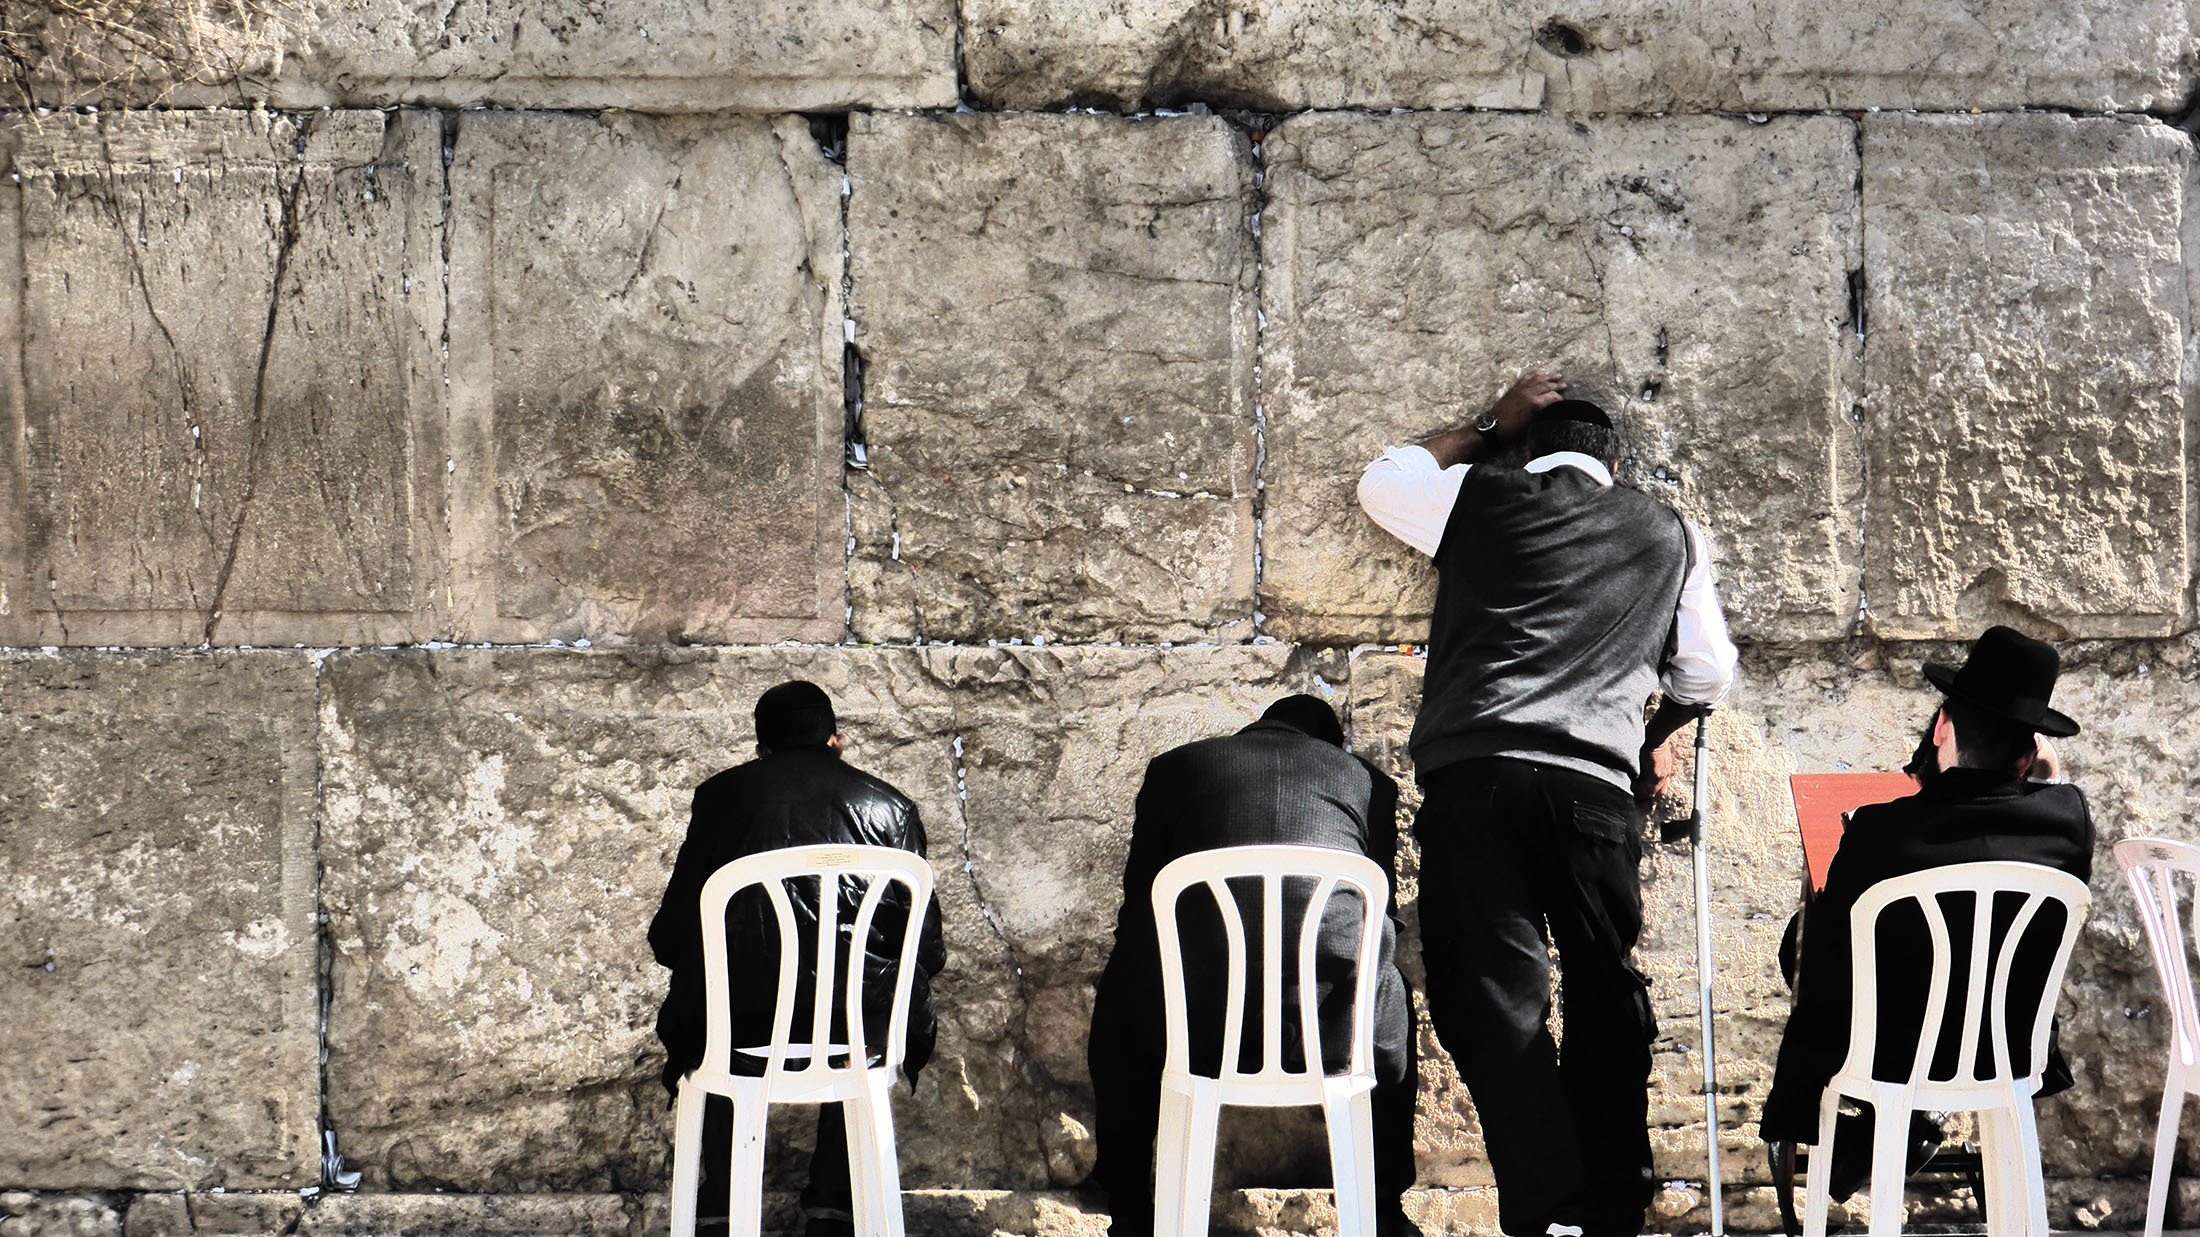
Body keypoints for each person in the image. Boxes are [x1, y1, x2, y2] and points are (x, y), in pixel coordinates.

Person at [1356, 372, 1739, 1237]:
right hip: (1596, 789)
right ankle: (1610, 1207)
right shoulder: (1668, 531)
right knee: (1606, 991)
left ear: (1530, 450)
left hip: (1476, 777)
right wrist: (1656, 733)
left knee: (1491, 995)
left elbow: (1383, 481)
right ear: (1616, 462)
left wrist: (1489, 422)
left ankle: (1550, 1210)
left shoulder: (1481, 495)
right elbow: (1708, 670)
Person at [1760, 626, 2094, 1193]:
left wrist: (1799, 1088)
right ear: (2032, 749)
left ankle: (1883, 1129)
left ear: (1943, 726)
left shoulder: (1879, 832)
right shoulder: (2069, 824)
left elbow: (1825, 967)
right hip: (2007, 1053)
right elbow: (2053, 787)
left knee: (1813, 933)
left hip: (1891, 1059)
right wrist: (2044, 771)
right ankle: (1913, 1125)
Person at [1086, 695, 1421, 1237]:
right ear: (1327, 747)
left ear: (1253, 729)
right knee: (1390, 981)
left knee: (1128, 971)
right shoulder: (1367, 782)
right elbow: (1377, 912)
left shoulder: (1174, 769)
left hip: (1192, 1034)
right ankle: (1384, 1209)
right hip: (1331, 1030)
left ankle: (1128, 1208)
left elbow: (1141, 904)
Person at [649, 681, 947, 1237]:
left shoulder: (720, 799)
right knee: (855, 1008)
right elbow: (926, 949)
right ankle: (834, 1206)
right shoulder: (891, 807)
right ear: (837, 740)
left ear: (761, 747)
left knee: (716, 1008)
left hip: (740, 1027)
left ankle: (720, 1208)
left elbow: (670, 935)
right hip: (855, 1031)